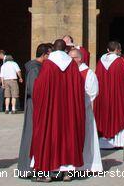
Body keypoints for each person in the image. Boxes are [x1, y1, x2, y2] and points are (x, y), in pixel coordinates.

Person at [30, 38, 85, 176]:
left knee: (50, 134)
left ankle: (47, 171)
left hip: (51, 109)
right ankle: (67, 172)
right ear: (65, 48)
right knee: (68, 135)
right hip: (68, 109)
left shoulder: (48, 64)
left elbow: (39, 88)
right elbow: (79, 86)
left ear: (53, 48)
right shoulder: (72, 64)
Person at [17, 43, 50, 178]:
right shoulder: (34, 69)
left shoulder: (39, 67)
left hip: (37, 105)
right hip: (34, 106)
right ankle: (27, 168)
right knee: (31, 135)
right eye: (49, 54)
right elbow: (33, 89)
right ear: (43, 55)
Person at [70, 47, 103, 175]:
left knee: (87, 138)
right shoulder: (69, 71)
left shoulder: (88, 73)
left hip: (84, 110)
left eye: (72, 57)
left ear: (79, 58)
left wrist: (80, 103)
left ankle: (88, 164)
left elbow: (93, 92)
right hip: (72, 112)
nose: (70, 60)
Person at [94, 40, 124, 150]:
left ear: (108, 50)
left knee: (103, 114)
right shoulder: (119, 61)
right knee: (117, 112)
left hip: (103, 96)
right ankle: (118, 141)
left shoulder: (100, 61)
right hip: (116, 95)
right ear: (118, 50)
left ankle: (104, 140)